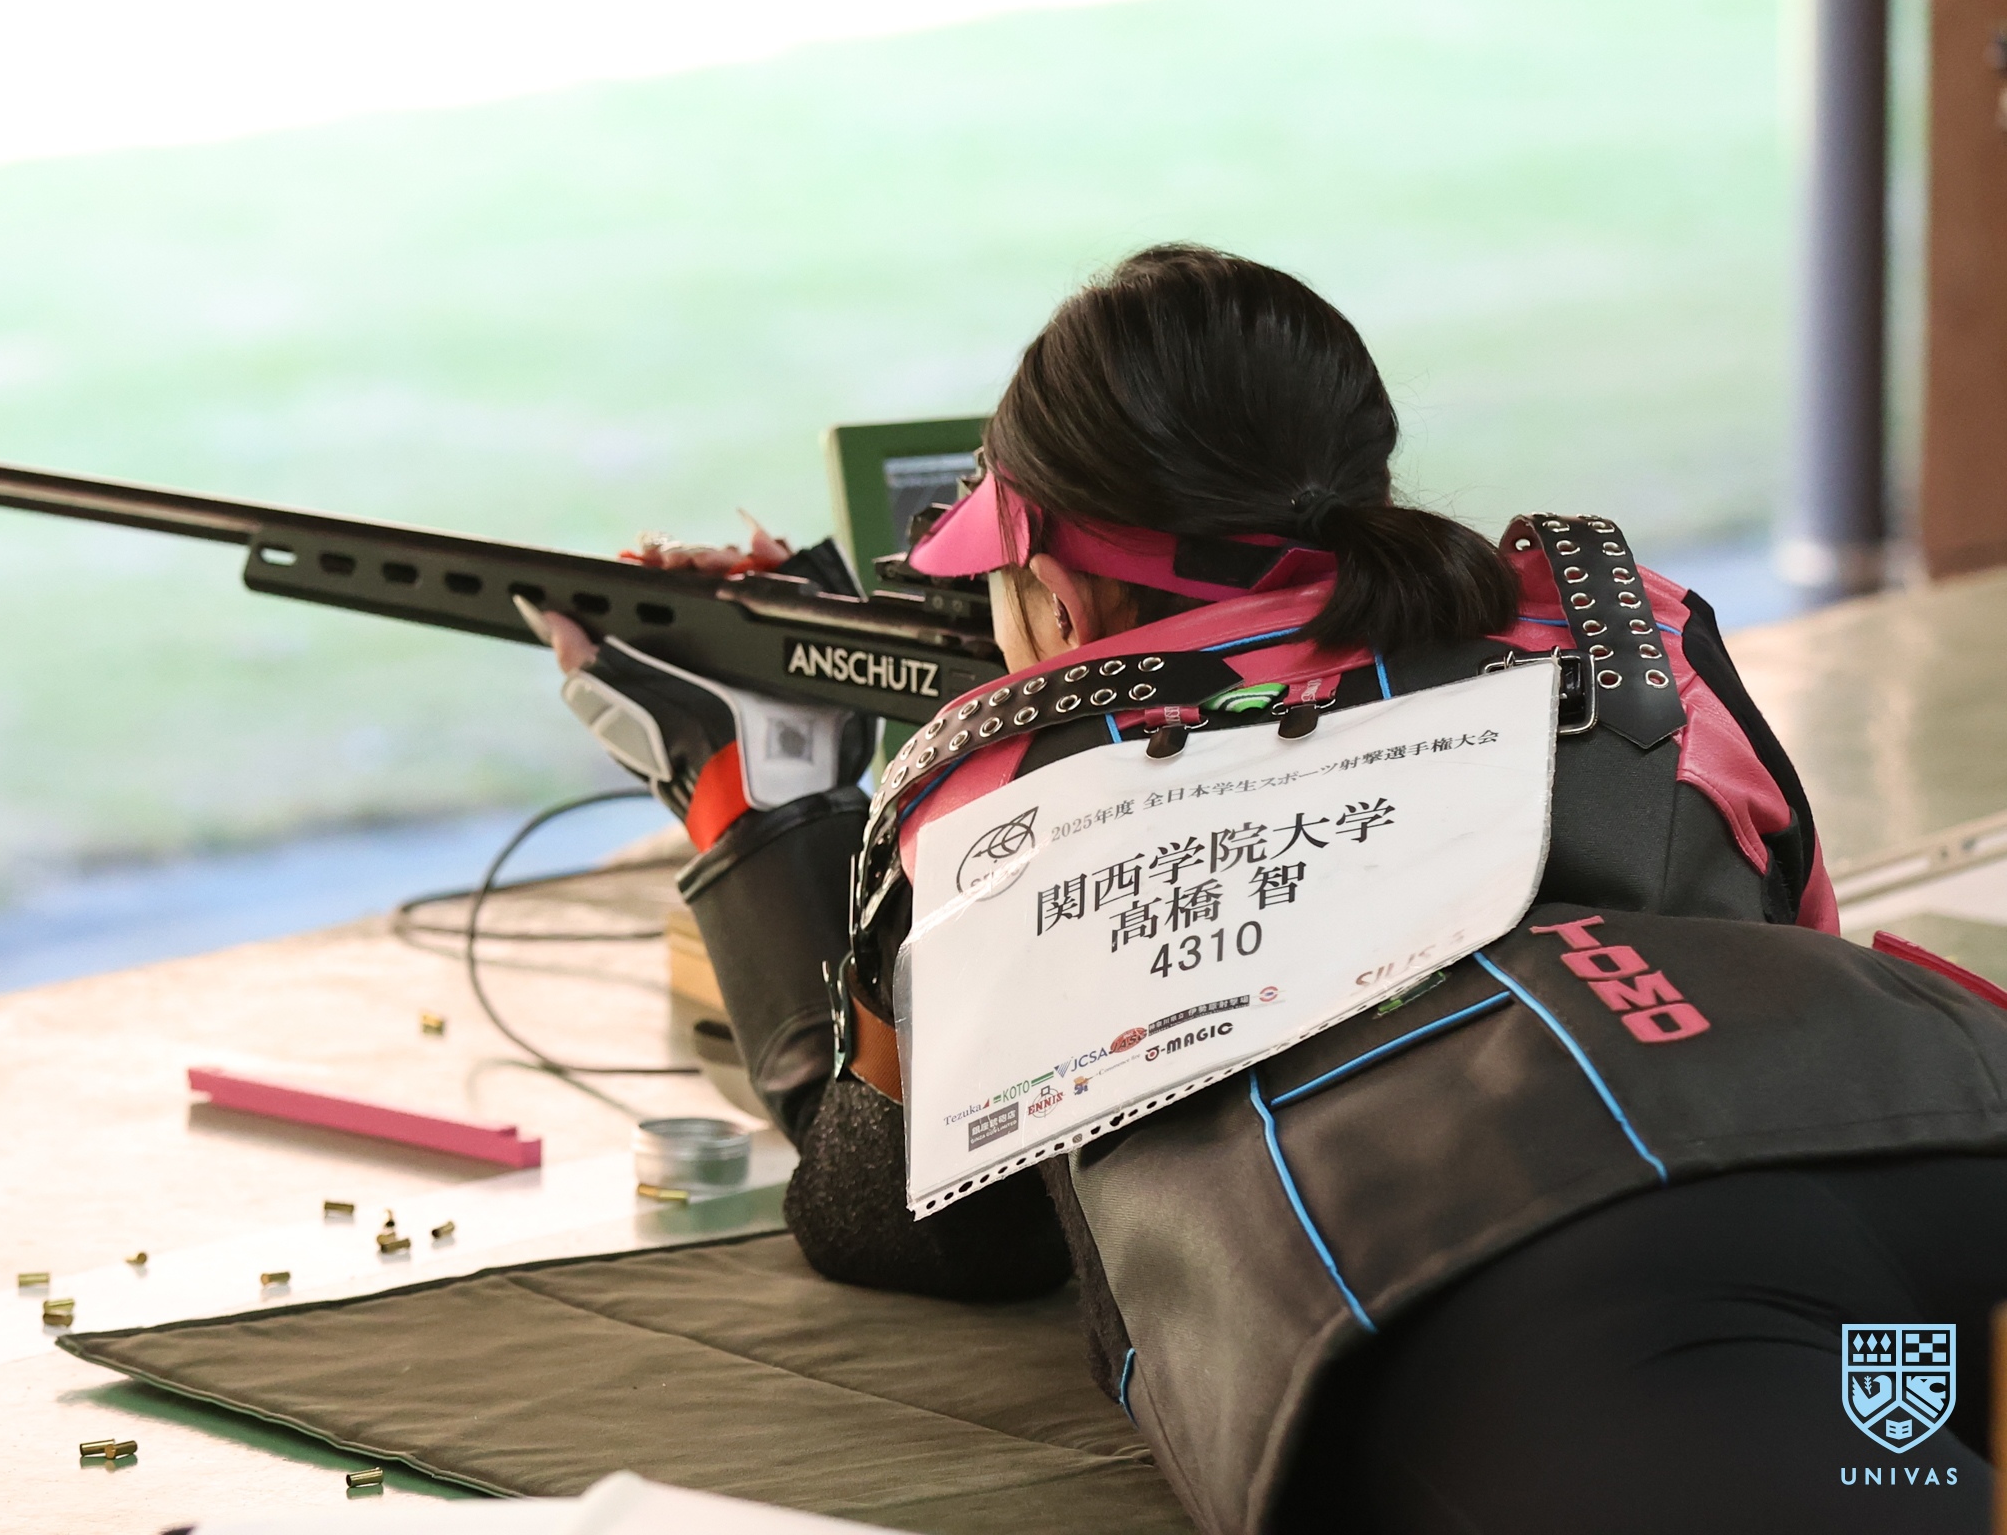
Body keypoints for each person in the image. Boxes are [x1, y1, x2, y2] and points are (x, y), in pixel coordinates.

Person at [539, 245, 2007, 1534]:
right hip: (1931, 1116)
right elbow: (1770, 922)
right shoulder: (1628, 631)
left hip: (1523, 1276)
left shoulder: (994, 788)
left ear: (1051, 582)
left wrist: (746, 801)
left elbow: (912, 1221)